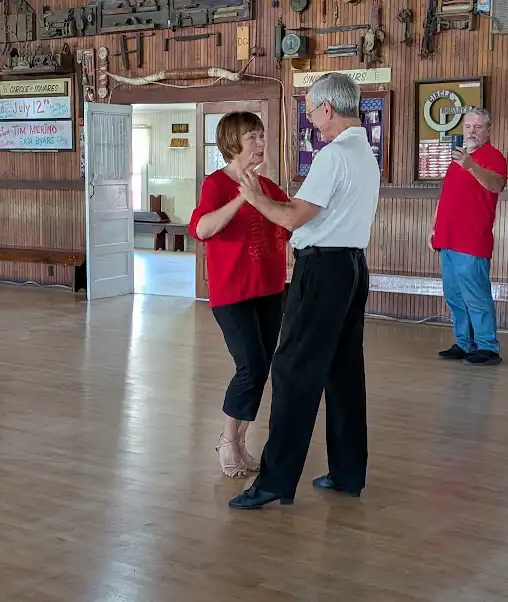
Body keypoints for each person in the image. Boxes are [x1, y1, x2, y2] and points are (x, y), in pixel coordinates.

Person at [227, 73, 380, 509]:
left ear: (328, 109)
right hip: (352, 268)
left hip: (323, 271)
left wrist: (255, 198)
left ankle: (275, 481)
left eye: (311, 112)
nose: (312, 121)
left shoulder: (334, 156)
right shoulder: (364, 152)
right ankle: (349, 471)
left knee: (293, 371)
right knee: (344, 372)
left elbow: (295, 217)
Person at [188, 111, 289, 479]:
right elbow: (201, 228)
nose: (260, 144)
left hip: (270, 289)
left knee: (262, 367)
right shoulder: (215, 184)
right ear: (233, 144)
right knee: (250, 365)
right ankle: (228, 441)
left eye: (262, 136)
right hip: (233, 291)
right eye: (253, 138)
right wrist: (241, 200)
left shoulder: (268, 185)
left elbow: (289, 216)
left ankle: (241, 441)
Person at [430, 108, 508, 367]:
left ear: (488, 130)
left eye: (478, 127)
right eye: (468, 126)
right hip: (448, 237)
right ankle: (465, 343)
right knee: (454, 295)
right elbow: (446, 197)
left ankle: (487, 346)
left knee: (476, 294)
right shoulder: (457, 159)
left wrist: (471, 165)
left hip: (472, 239)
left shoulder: (493, 157)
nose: (472, 131)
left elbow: (496, 185)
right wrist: (434, 226)